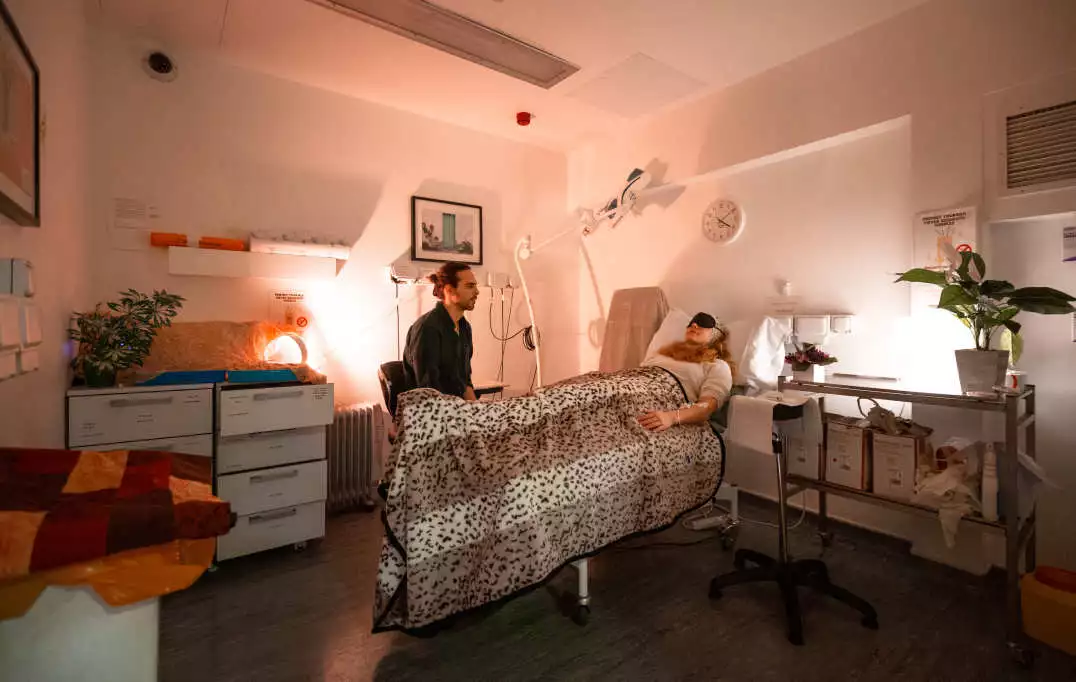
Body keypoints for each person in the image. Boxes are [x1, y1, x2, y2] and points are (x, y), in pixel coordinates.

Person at [637, 312, 735, 432]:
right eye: (691, 322)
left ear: (716, 333)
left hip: (653, 403)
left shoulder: (717, 366)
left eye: (703, 322)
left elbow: (706, 407)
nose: (694, 324)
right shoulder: (661, 355)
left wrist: (671, 417)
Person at [402, 262, 480, 401]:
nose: (477, 292)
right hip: (429, 415)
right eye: (470, 286)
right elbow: (429, 390)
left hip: (457, 412)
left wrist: (477, 413)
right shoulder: (427, 328)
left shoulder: (465, 328)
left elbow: (465, 384)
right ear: (449, 290)